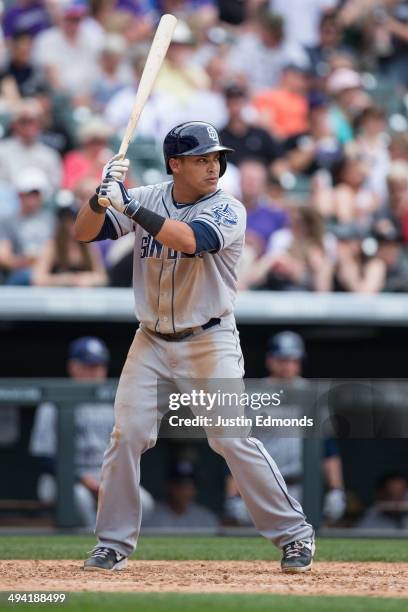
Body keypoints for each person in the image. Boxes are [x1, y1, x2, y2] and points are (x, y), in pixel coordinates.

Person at [74, 120, 315, 573]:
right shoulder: (146, 196)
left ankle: (294, 535)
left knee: (230, 438)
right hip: (150, 340)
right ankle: (113, 543)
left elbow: (190, 241)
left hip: (209, 340)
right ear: (175, 164)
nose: (212, 166)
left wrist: (128, 203)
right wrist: (99, 195)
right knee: (126, 436)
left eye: (215, 158)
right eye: (201, 159)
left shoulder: (229, 209)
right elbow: (85, 233)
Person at [29, 336, 155, 528]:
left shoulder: (117, 403)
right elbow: (44, 458)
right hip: (65, 478)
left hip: (105, 475)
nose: (95, 372)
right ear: (73, 367)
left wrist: (112, 480)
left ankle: (124, 548)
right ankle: (93, 547)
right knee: (80, 499)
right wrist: (83, 480)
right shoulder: (52, 405)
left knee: (144, 502)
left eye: (99, 365)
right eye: (89, 366)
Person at [225, 331, 346, 525]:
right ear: (270, 360)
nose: (287, 365)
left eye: (292, 360)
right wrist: (233, 494)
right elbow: (237, 449)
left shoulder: (312, 396)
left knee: (304, 544)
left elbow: (328, 448)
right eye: (282, 359)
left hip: (302, 487)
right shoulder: (253, 396)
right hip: (261, 486)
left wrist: (336, 489)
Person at [0, 168, 53, 285]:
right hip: (19, 274)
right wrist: (24, 262)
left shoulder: (51, 219)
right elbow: (3, 256)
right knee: (29, 274)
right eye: (29, 194)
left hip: (47, 272)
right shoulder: (8, 221)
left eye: (36, 194)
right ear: (20, 195)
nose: (33, 199)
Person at [32, 205, 107, 287]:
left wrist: (89, 279)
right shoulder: (52, 246)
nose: (74, 224)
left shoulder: (89, 245)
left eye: (78, 219)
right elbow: (38, 279)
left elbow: (103, 278)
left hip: (84, 297)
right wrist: (64, 279)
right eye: (70, 220)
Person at [142, 459, 218, 529]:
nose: (185, 491)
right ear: (168, 485)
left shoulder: (205, 518)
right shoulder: (150, 515)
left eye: (190, 486)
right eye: (181, 485)